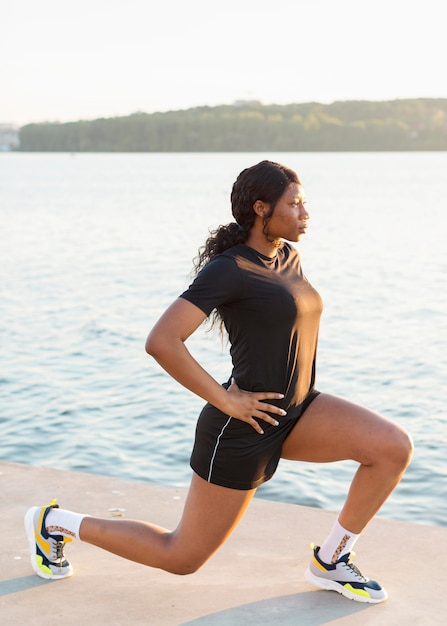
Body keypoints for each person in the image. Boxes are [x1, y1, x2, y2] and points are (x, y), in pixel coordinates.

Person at [25, 160, 413, 604]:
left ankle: (331, 559)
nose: (306, 213)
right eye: (296, 204)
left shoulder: (288, 255)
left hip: (298, 410)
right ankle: (54, 524)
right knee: (182, 556)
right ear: (261, 208)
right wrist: (226, 401)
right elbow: (162, 341)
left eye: (305, 204)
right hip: (241, 429)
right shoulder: (230, 269)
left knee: (391, 447)